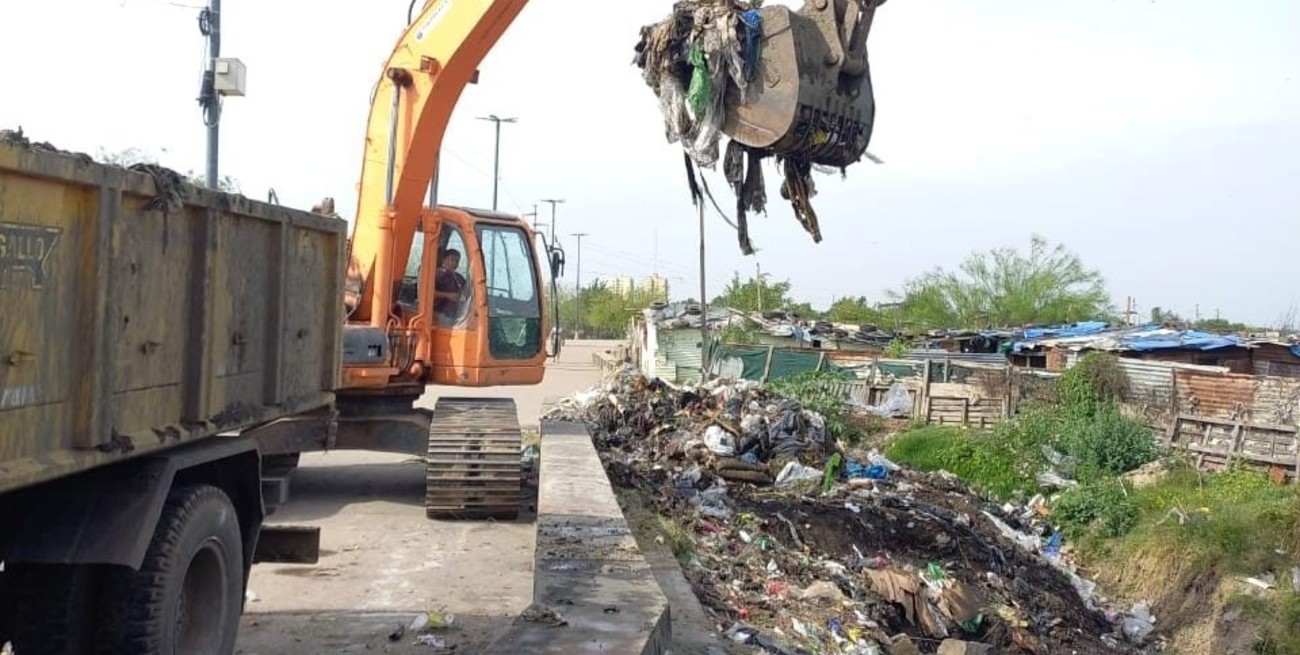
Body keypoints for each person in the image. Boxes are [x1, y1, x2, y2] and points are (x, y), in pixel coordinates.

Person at [434, 248, 466, 323]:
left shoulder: (459, 278)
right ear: (443, 260)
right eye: (451, 260)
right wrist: (448, 296)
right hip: (439, 313)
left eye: (457, 261)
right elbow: (429, 293)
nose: (454, 263)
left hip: (456, 314)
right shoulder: (436, 275)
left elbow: (466, 291)